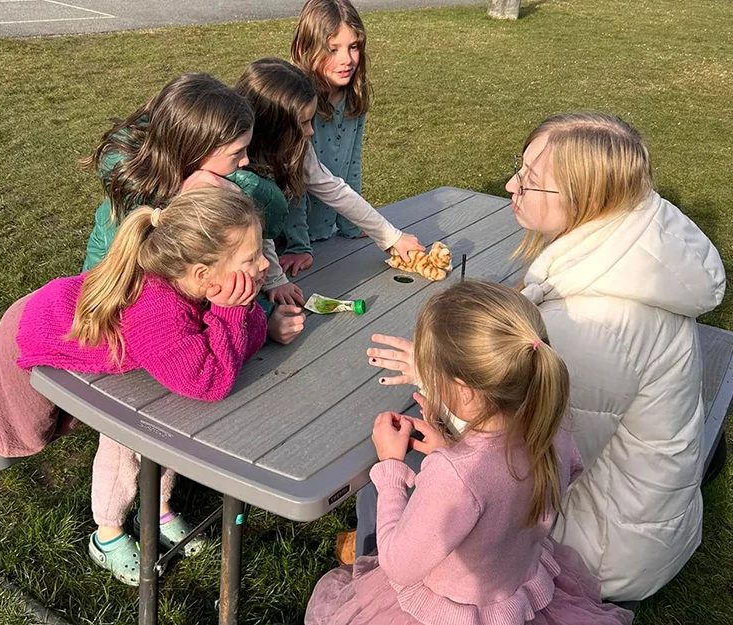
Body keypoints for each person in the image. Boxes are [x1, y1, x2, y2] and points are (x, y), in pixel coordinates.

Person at [360, 112, 726, 601]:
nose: (511, 183)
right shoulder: (628, 247)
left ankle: (369, 551)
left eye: (530, 182)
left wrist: (443, 384)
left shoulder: (593, 324)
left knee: (411, 474)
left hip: (606, 547)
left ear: (584, 200)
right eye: (519, 167)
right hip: (636, 510)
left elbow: (527, 464)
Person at [0, 187, 269, 586]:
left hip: (64, 332)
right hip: (27, 337)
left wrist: (246, 316)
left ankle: (153, 510)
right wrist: (232, 312)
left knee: (147, 418)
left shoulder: (192, 285)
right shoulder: (157, 308)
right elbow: (207, 380)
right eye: (251, 258)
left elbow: (233, 343)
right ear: (202, 274)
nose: (263, 264)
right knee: (21, 438)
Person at [306, 280, 633, 625]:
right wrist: (453, 447)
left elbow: (399, 564)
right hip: (514, 594)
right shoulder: (552, 425)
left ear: (463, 393)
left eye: (432, 375)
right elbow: (517, 482)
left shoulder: (455, 477)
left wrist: (390, 467)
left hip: (441, 610)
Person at [82, 72, 305, 344]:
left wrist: (233, 189)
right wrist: (263, 320)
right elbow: (174, 291)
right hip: (121, 323)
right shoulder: (134, 206)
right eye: (238, 152)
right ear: (196, 150)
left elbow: (270, 218)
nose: (246, 161)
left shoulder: (216, 175)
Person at [234, 57, 424, 283]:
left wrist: (392, 237)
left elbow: (334, 189)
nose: (311, 131)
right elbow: (257, 228)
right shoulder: (237, 166)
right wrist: (276, 281)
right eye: (302, 123)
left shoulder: (296, 147)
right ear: (272, 125)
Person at [280, 0, 371, 276]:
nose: (347, 59)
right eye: (333, 50)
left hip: (327, 233)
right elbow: (293, 179)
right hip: (286, 243)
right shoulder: (294, 104)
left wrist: (352, 225)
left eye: (353, 46)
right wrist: (298, 245)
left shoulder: (354, 98)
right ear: (304, 48)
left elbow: (351, 166)